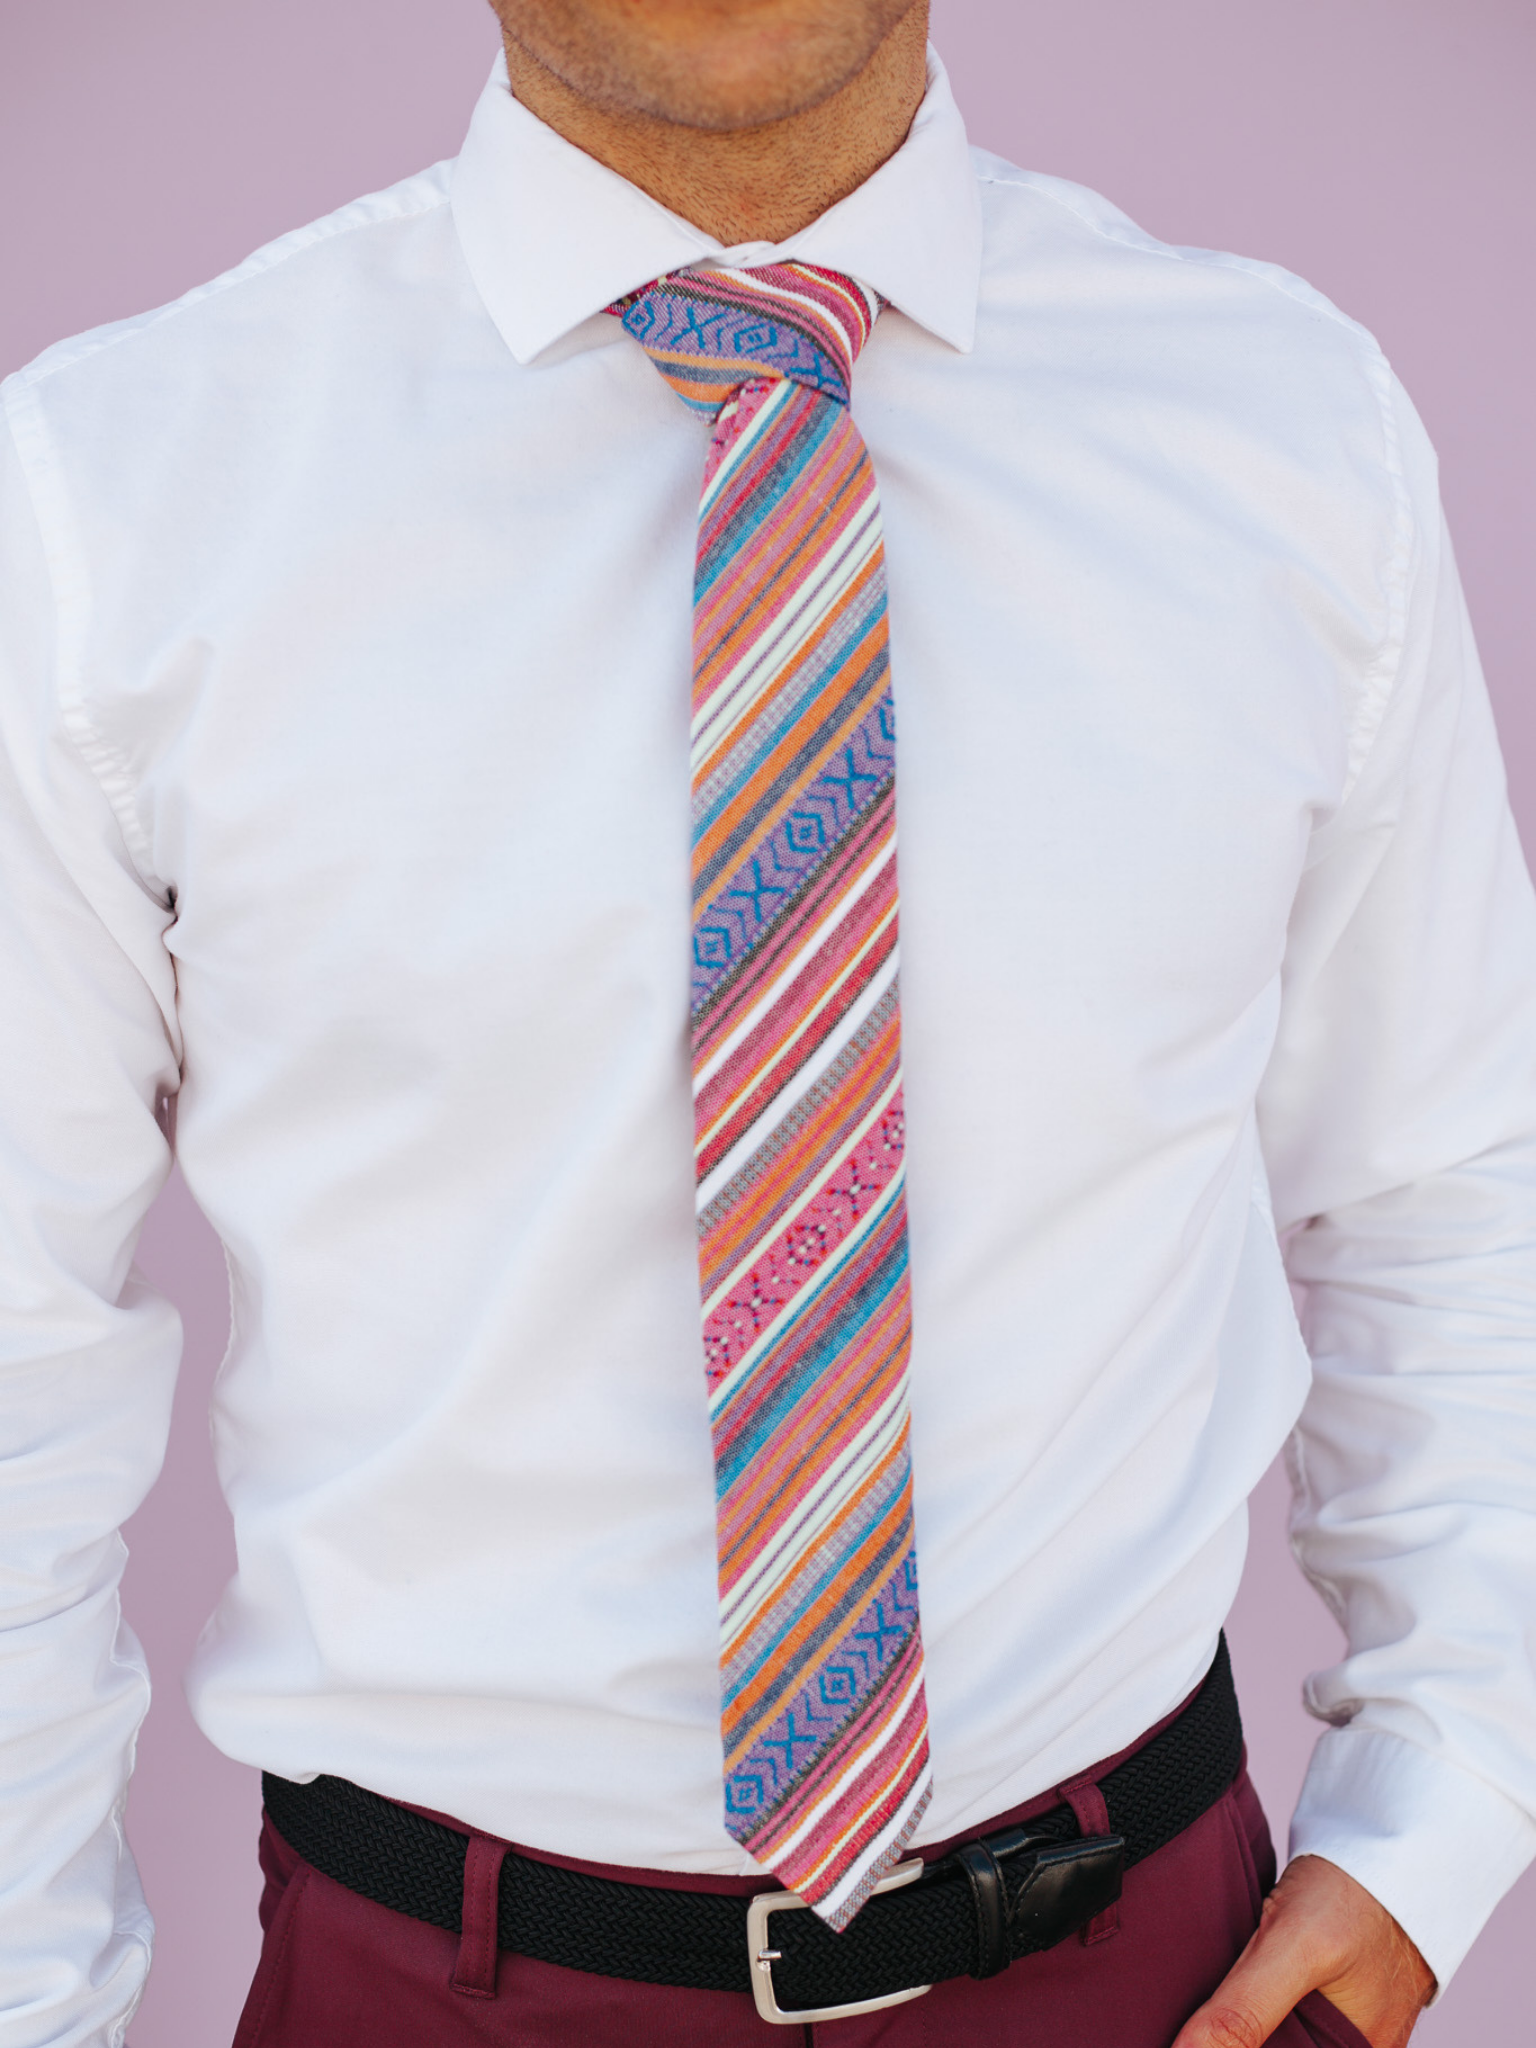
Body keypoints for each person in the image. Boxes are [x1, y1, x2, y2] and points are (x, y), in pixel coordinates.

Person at [1, 0, 1532, 2041]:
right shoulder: (114, 498)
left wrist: (1443, 1807)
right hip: (428, 1988)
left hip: (1154, 1974)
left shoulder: (1286, 431)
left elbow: (1451, 1179)